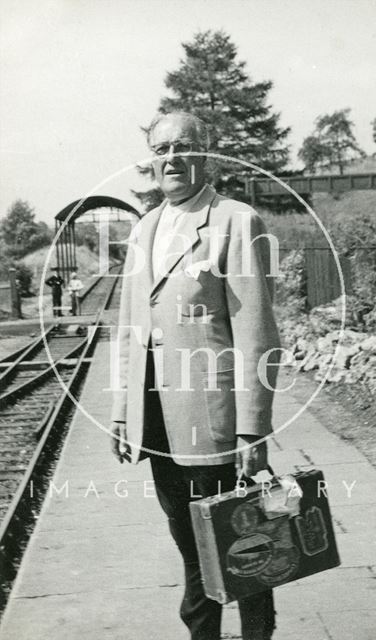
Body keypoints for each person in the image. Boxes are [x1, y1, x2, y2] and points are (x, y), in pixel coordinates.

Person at [110, 111, 281, 640]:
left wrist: (254, 428)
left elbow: (257, 332)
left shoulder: (235, 220)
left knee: (240, 541)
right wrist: (121, 412)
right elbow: (129, 329)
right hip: (157, 420)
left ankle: (256, 633)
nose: (172, 159)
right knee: (188, 542)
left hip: (215, 421)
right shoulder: (144, 227)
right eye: (161, 149)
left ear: (207, 155)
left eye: (184, 147)